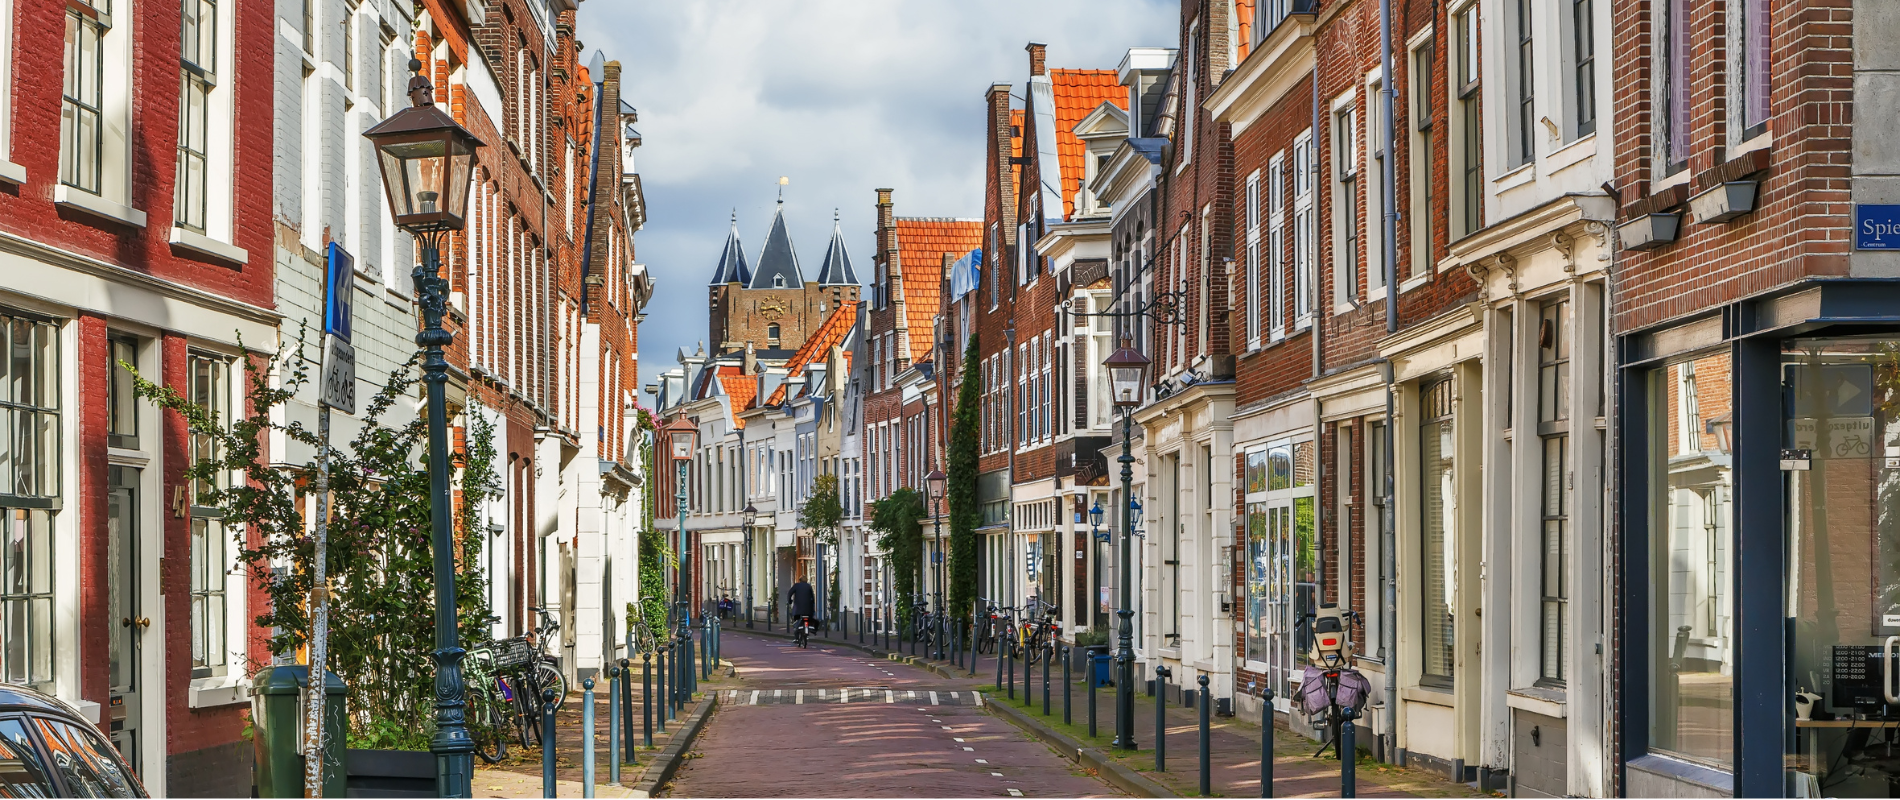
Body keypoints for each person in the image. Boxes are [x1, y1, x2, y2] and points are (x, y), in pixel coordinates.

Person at [788, 578, 816, 645]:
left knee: (796, 621)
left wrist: (790, 601)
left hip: (798, 609)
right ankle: (808, 630)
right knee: (809, 618)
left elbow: (789, 593)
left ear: (799, 580)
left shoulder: (796, 585)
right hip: (808, 610)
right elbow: (812, 597)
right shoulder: (809, 586)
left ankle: (796, 638)